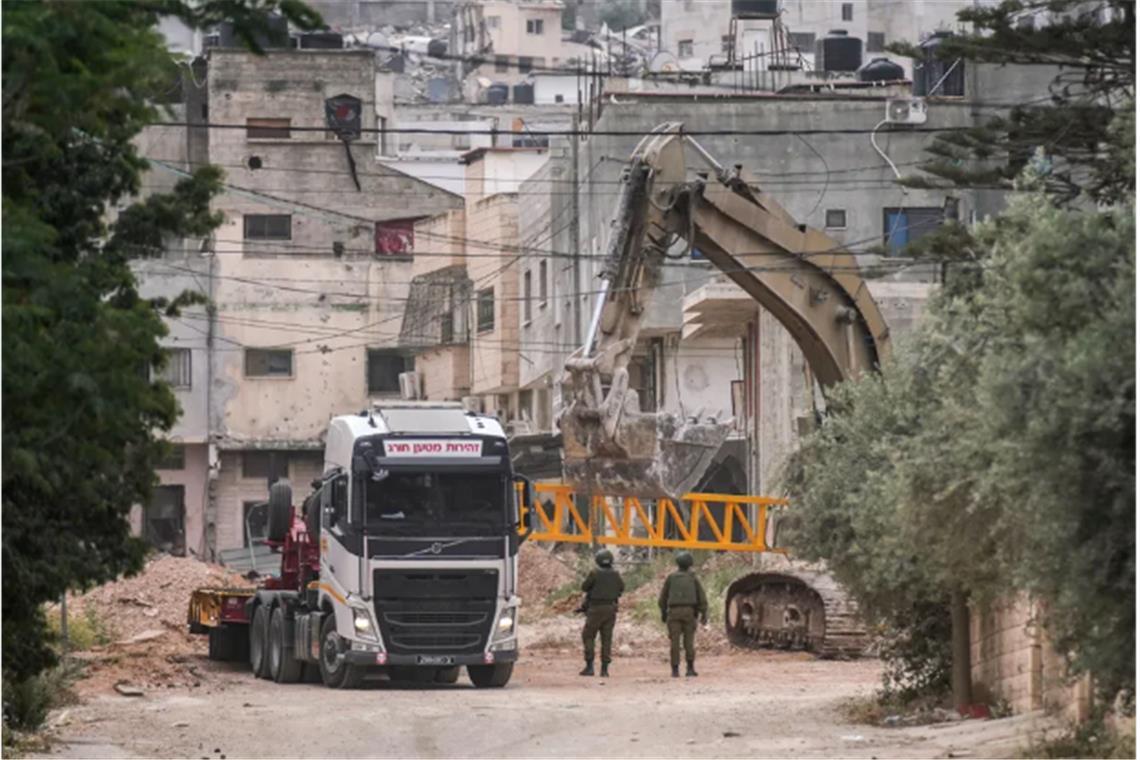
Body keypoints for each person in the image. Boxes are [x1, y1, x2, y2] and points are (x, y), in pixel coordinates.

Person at [658, 551, 708, 678]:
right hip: (689, 613)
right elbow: (701, 597)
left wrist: (663, 613)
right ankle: (690, 668)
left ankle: (675, 670)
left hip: (673, 613)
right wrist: (704, 614)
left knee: (674, 642)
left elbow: (662, 598)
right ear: (690, 564)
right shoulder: (693, 578)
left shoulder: (671, 578)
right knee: (689, 642)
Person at [579, 549, 624, 677]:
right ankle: (604, 670)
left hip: (595, 609)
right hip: (610, 609)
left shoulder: (594, 573)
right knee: (606, 638)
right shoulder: (616, 574)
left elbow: (585, 587)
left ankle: (590, 666)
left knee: (588, 636)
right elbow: (621, 588)